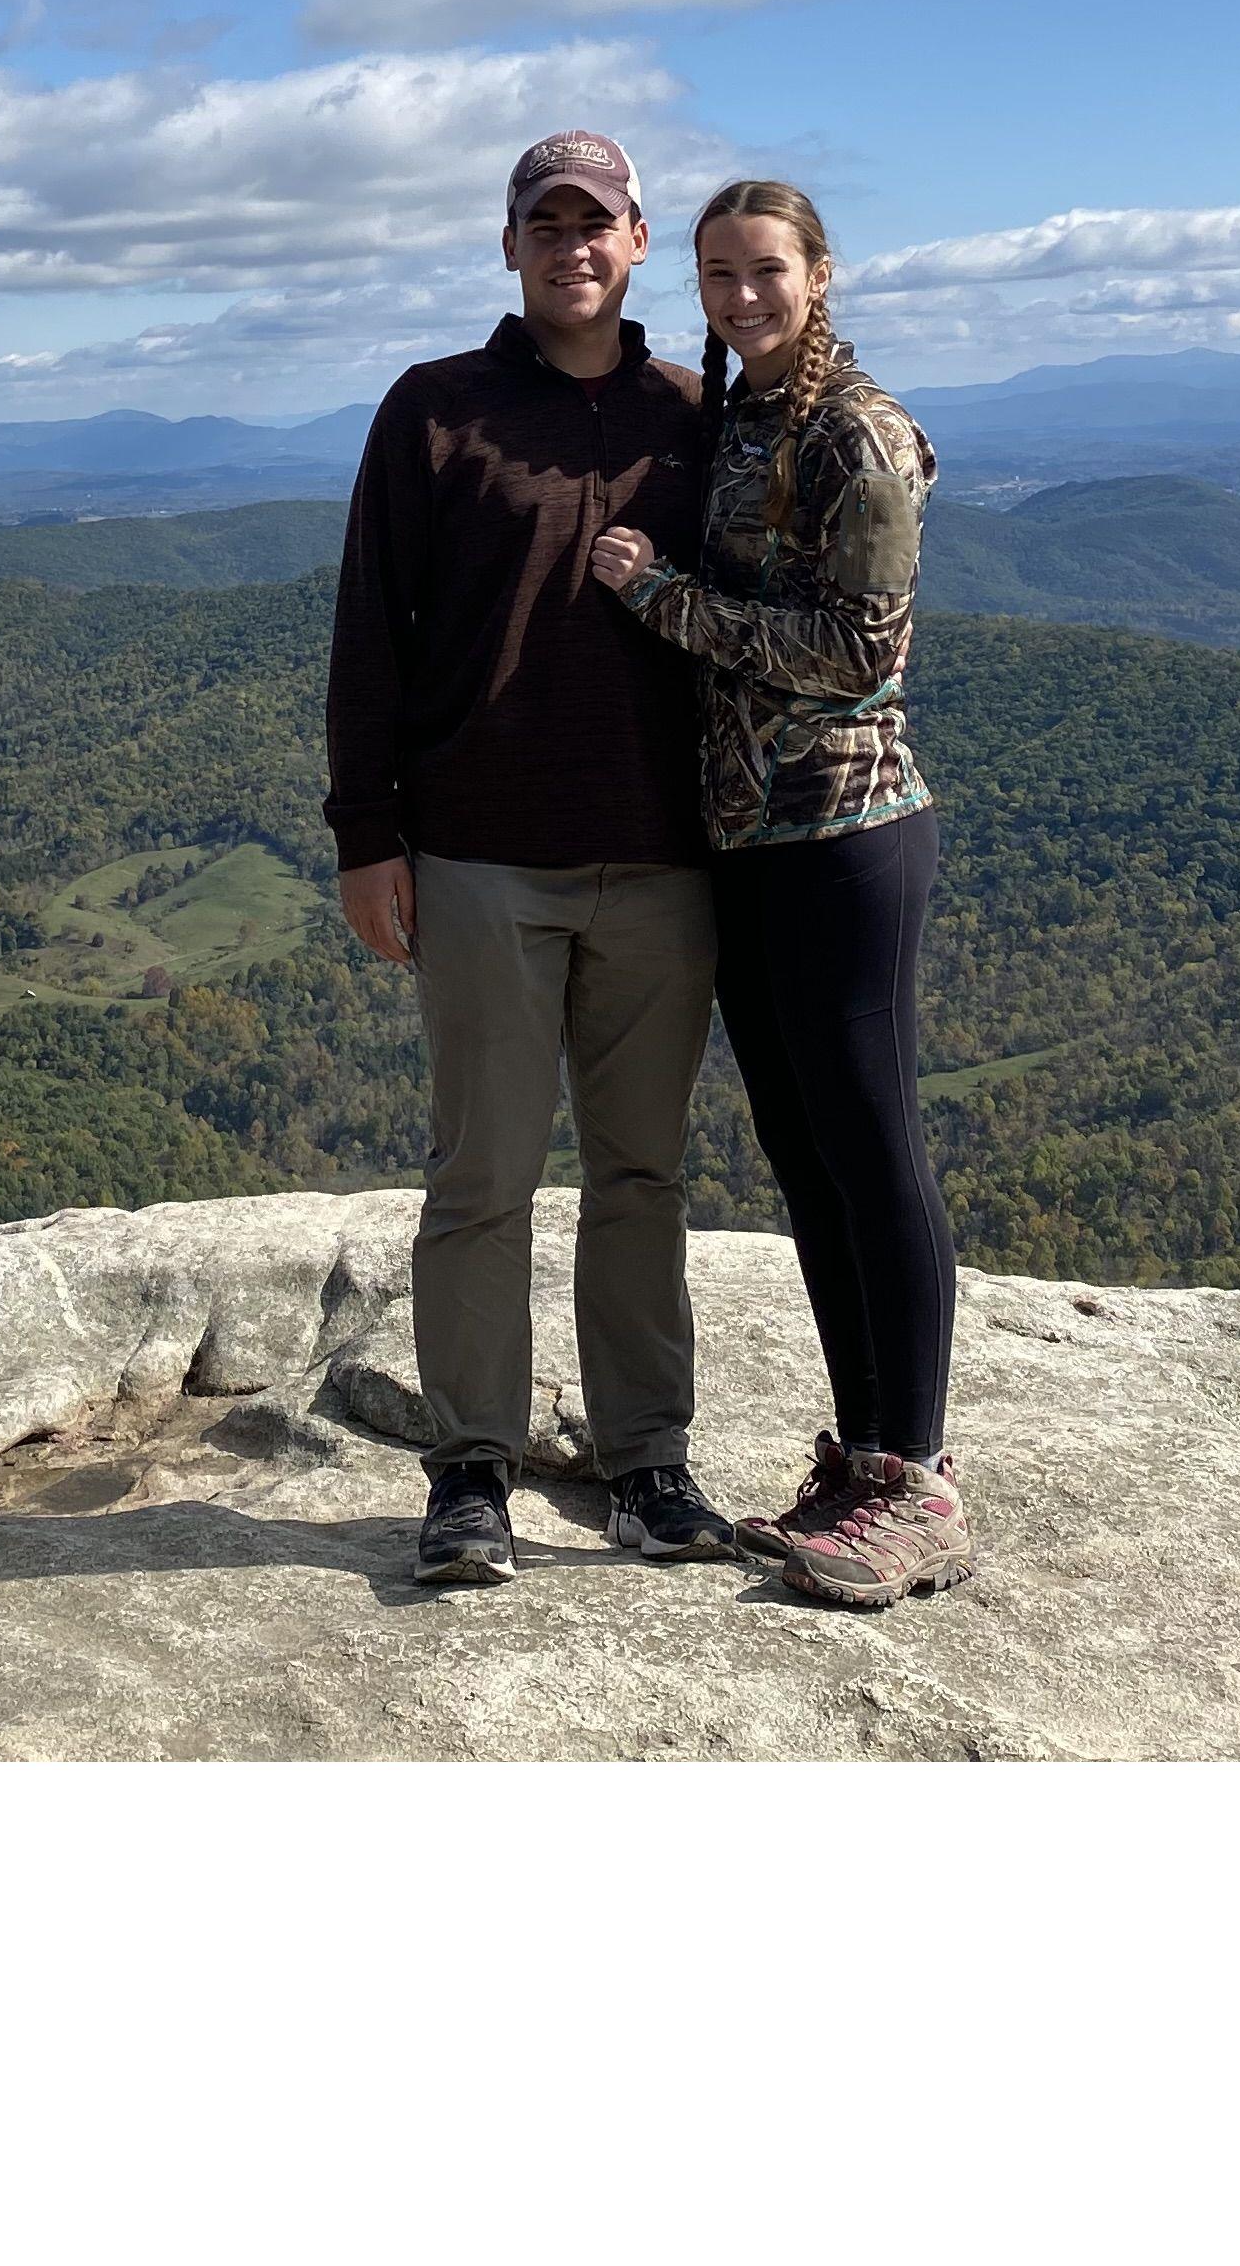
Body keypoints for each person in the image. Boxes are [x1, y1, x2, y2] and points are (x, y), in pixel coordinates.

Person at [325, 130, 738, 1588]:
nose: (571, 242)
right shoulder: (434, 411)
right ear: (508, 247)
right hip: (482, 853)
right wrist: (366, 832)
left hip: (667, 858)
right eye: (542, 220)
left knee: (642, 1174)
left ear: (638, 246)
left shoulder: (700, 416)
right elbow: (372, 625)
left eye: (597, 220)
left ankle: (649, 1462)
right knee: (482, 1177)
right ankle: (471, 1472)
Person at [587, 179, 969, 1610]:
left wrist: (660, 597)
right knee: (806, 1157)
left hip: (847, 832)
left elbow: (860, 654)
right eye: (716, 275)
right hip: (748, 840)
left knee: (871, 1147)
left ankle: (921, 1483)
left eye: (765, 271)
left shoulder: (853, 432)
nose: (740, 296)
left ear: (820, 273)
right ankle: (862, 1462)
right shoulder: (739, 419)